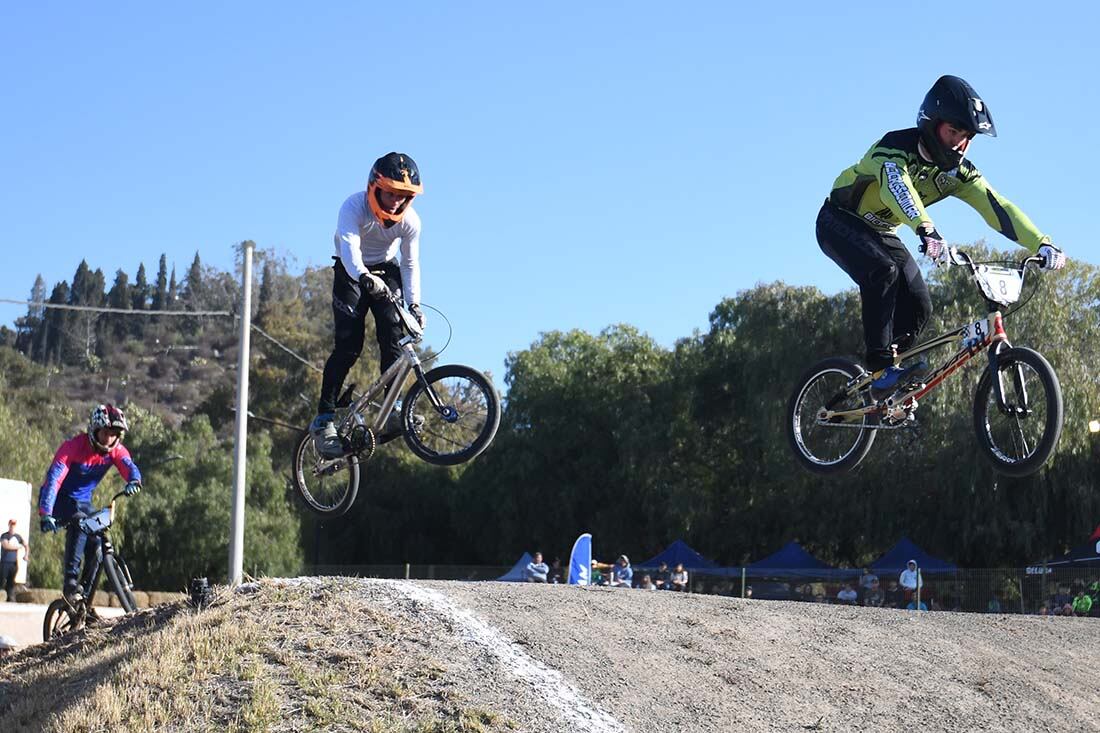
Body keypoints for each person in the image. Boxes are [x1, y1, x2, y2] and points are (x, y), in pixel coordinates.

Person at [816, 75, 1067, 399]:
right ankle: (879, 369)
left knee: (920, 303)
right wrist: (926, 228)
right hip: (839, 219)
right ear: (931, 125)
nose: (960, 144)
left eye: (967, 138)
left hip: (880, 231)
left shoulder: (959, 174)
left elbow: (998, 207)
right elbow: (897, 189)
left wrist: (1041, 243)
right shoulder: (893, 147)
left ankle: (890, 379)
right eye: (953, 133)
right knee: (883, 272)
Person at [310, 152, 427, 458]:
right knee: (349, 346)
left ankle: (391, 409)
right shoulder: (353, 207)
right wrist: (363, 276)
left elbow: (410, 264)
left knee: (394, 338)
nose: (395, 202)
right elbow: (349, 249)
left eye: (403, 196)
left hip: (386, 270)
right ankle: (324, 420)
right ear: (374, 186)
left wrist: (414, 306)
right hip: (351, 271)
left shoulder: (410, 222)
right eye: (391, 193)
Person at [37, 404, 142, 603]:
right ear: (94, 430)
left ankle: (84, 598)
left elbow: (129, 465)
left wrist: (134, 481)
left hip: (83, 502)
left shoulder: (116, 450)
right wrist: (45, 512)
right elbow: (54, 480)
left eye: (114, 434)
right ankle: (70, 583)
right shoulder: (72, 447)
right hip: (59, 501)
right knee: (80, 524)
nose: (109, 439)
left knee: (97, 541)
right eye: (105, 433)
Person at [1, 519, 28, 602]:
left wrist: (26, 555)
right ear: (9, 525)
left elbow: (26, 545)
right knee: (1, 579)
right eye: (11, 525)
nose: (12, 527)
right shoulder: (5, 536)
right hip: (5, 562)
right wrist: (17, 547)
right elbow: (6, 545)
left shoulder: (18, 537)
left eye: (14, 525)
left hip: (14, 563)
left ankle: (10, 598)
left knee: (11, 581)